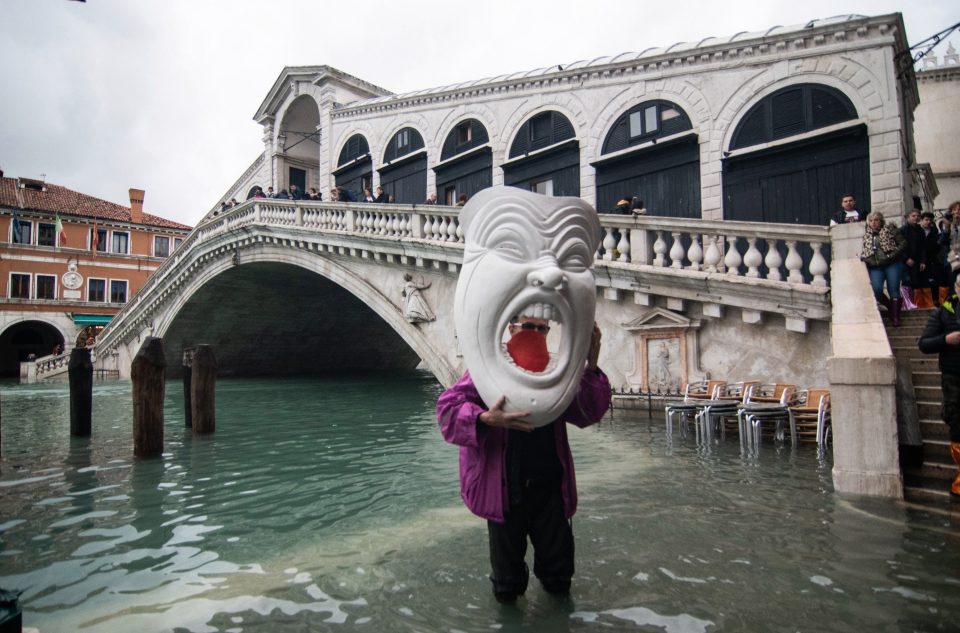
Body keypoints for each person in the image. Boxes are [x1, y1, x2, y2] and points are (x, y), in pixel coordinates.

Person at [437, 319, 608, 603]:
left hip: (550, 489)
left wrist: (591, 365)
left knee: (559, 578)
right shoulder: (487, 370)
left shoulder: (556, 372)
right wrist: (485, 419)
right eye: (529, 326)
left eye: (542, 329)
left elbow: (588, 412)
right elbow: (447, 411)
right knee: (506, 585)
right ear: (511, 328)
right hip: (504, 492)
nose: (535, 334)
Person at [918, 272, 960, 496]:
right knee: (956, 421)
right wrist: (946, 340)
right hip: (953, 375)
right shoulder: (943, 313)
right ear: (957, 288)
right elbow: (923, 344)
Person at [860, 211, 907, 326]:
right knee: (876, 289)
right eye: (871, 221)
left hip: (891, 264)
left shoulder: (890, 230)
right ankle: (891, 308)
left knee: (893, 289)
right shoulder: (867, 234)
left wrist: (892, 255)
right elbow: (864, 250)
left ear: (881, 221)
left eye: (876, 220)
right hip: (876, 266)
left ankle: (896, 317)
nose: (873, 223)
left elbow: (903, 244)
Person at [900, 209, 925, 309]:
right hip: (904, 260)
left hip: (916, 260)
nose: (916, 218)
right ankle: (907, 303)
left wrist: (923, 261)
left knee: (915, 281)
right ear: (908, 217)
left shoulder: (920, 230)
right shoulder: (902, 230)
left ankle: (913, 302)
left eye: (918, 216)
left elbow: (923, 247)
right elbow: (899, 246)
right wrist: (906, 258)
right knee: (906, 280)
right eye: (913, 216)